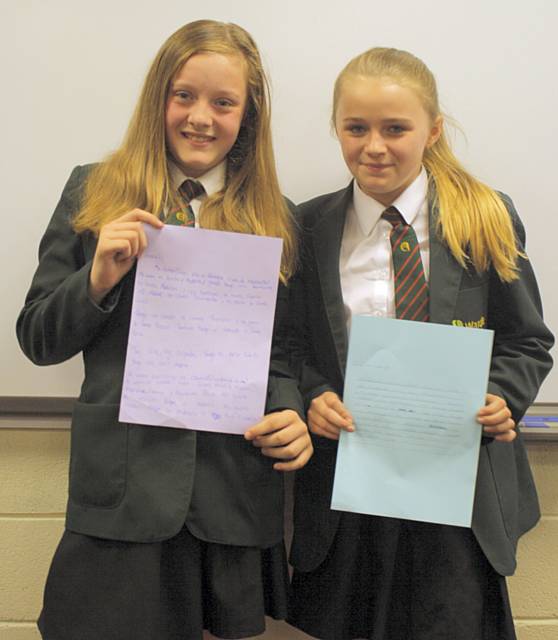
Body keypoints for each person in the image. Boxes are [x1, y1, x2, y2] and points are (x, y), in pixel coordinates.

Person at [16, 19, 312, 640]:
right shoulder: (93, 190)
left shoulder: (275, 219)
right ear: (160, 99)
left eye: (223, 102)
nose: (201, 117)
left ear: (248, 115)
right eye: (184, 95)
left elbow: (281, 357)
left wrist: (290, 412)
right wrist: (96, 278)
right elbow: (37, 338)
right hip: (122, 495)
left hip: (231, 494)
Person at [286, 47, 553, 640]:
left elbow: (528, 342)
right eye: (356, 128)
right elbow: (292, 347)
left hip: (457, 495)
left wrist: (501, 397)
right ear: (337, 129)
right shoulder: (307, 227)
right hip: (348, 494)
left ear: (432, 131)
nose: (373, 146)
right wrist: (314, 394)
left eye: (395, 129)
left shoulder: (484, 216)